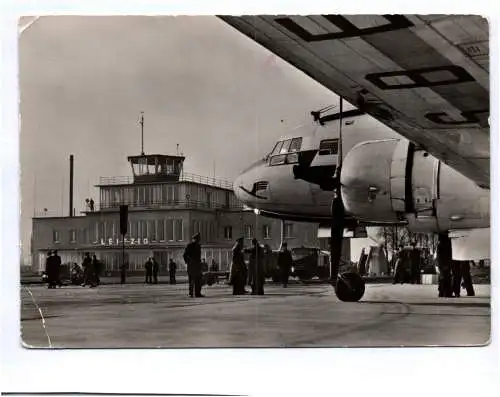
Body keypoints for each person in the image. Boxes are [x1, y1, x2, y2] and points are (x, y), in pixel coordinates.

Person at [183, 233, 204, 297]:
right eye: (197, 239)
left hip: (197, 266)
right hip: (191, 266)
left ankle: (197, 293)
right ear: (194, 239)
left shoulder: (198, 246)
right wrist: (188, 262)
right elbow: (185, 255)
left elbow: (198, 257)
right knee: (192, 280)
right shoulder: (189, 245)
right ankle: (191, 293)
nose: (198, 240)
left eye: (198, 239)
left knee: (198, 280)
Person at [436, 233, 453, 297]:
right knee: (447, 278)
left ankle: (441, 292)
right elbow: (449, 255)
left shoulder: (439, 245)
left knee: (442, 278)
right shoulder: (448, 244)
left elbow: (439, 256)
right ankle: (447, 292)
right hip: (446, 264)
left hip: (441, 264)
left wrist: (440, 264)